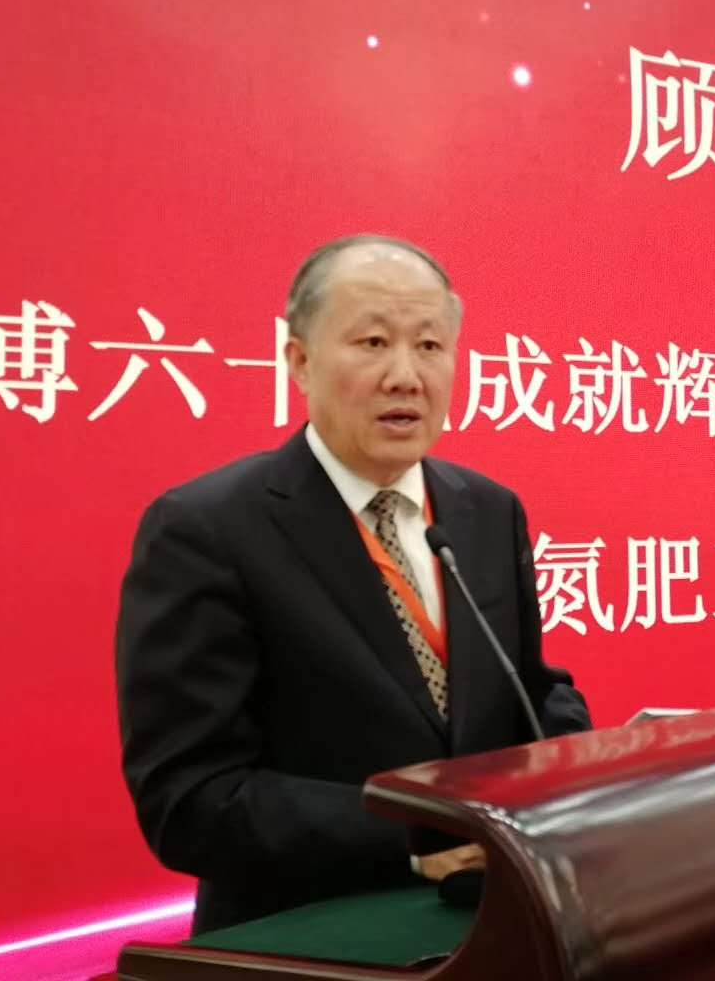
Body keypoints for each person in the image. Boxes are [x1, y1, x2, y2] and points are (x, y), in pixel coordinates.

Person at [115, 234, 591, 933]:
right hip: (305, 937)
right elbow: (190, 800)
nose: (406, 376)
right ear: (299, 362)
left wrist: (587, 769)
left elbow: (532, 693)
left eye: (429, 346)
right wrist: (420, 836)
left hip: (493, 922)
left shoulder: (487, 511)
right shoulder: (207, 529)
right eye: (373, 343)